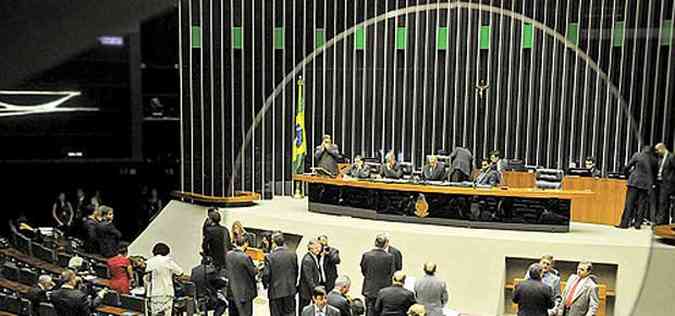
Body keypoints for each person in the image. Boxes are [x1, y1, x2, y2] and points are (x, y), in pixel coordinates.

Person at [617, 146, 656, 229]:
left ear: (642, 150)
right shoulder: (654, 159)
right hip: (645, 185)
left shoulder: (637, 155)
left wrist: (626, 174)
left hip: (634, 182)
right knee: (641, 204)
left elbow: (628, 166)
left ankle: (625, 223)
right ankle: (637, 224)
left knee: (629, 203)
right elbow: (654, 174)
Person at [262, 232, 298, 316]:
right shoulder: (293, 254)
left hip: (275, 292)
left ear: (273, 242)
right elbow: (296, 272)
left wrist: (265, 285)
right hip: (290, 290)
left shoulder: (270, 257)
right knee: (290, 313)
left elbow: (266, 275)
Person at [145, 242, 185, 316]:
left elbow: (147, 276)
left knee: (154, 314)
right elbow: (180, 272)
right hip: (166, 292)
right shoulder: (168, 260)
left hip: (154, 293)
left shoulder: (150, 261)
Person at [361, 234, 395, 316]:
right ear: (385, 244)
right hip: (384, 290)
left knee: (369, 312)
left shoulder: (366, 255)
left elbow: (364, 270)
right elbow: (391, 272)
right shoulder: (390, 257)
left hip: (369, 289)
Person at [226, 236, 258, 316]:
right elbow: (253, 272)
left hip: (232, 292)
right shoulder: (245, 257)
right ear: (246, 244)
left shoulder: (228, 255)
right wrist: (257, 268)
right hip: (244, 294)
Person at [299, 239, 325, 315]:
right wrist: (316, 292)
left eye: (319, 248)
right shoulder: (308, 260)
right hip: (306, 291)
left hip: (312, 289)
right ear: (310, 248)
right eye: (316, 248)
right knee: (304, 310)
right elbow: (309, 279)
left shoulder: (315, 256)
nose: (318, 250)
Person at [654, 143, 675, 224]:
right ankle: (663, 222)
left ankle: (660, 222)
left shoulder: (671, 157)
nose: (656, 152)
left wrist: (671, 179)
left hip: (668, 184)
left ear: (662, 148)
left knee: (663, 202)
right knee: (662, 202)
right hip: (660, 183)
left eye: (657, 150)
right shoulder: (660, 158)